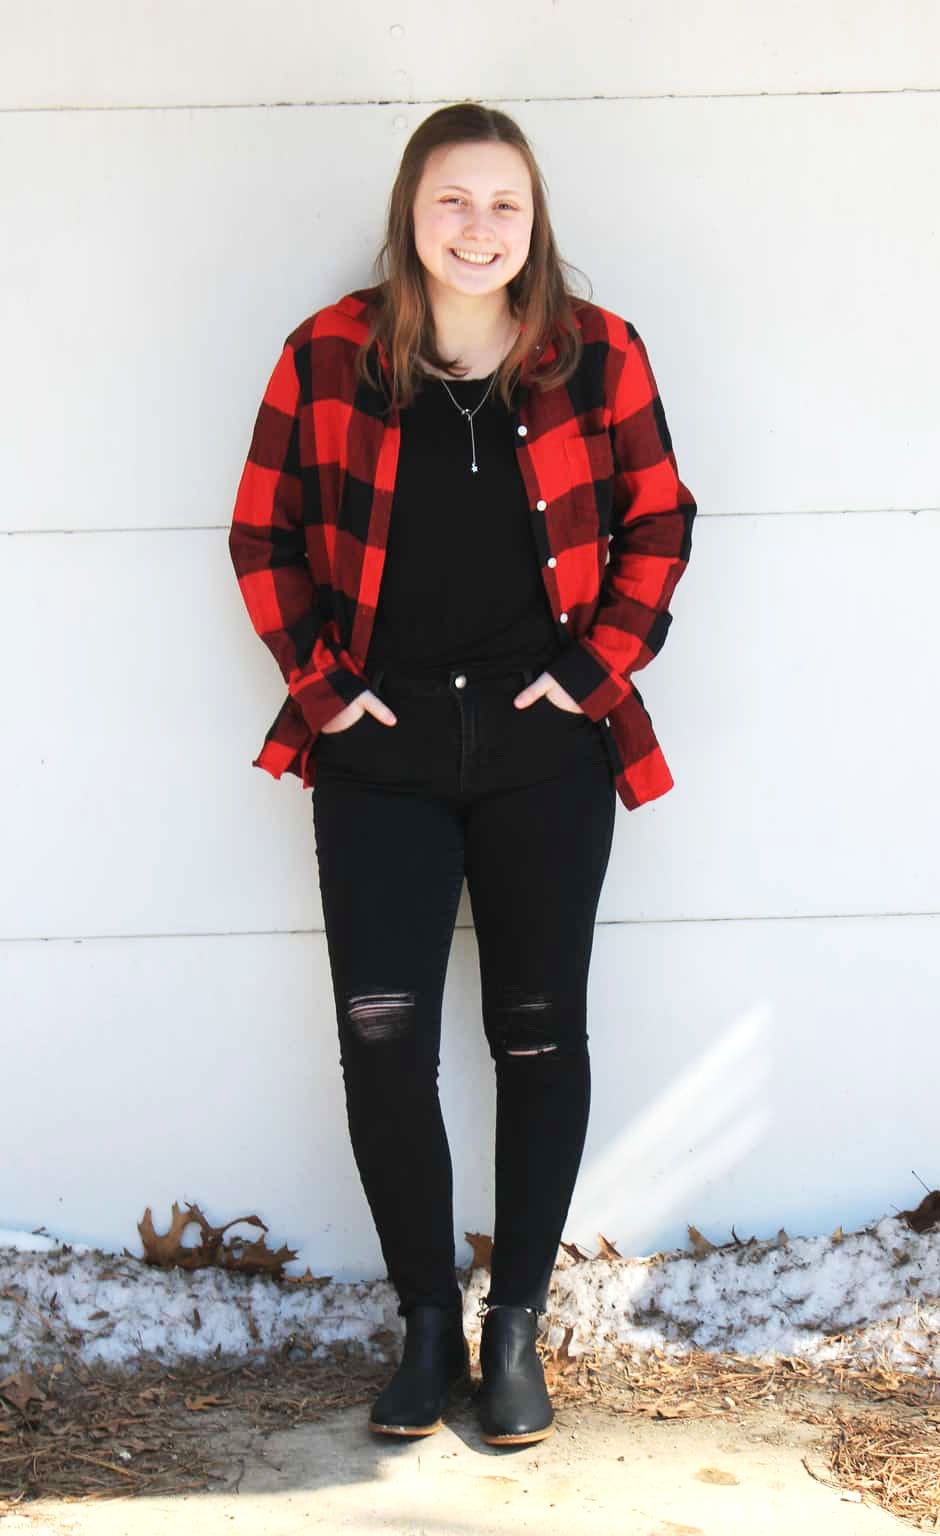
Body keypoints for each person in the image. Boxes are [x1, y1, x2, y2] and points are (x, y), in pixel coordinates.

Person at [229, 100, 696, 1447]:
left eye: (503, 204)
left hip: (547, 750)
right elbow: (262, 535)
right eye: (452, 201)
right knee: (385, 1043)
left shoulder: (597, 357)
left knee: (540, 1036)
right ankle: (428, 1323)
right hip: (381, 756)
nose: (478, 228)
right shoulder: (326, 356)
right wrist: (328, 695)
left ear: (533, 220)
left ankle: (515, 1331)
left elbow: (660, 518)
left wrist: (596, 664)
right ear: (409, 213)